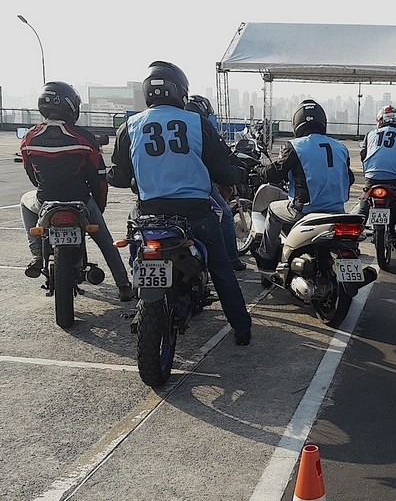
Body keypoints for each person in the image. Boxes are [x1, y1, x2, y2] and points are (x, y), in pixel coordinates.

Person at [107, 61, 252, 345]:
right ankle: (242, 329)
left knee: (136, 248)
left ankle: (140, 298)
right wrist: (239, 173)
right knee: (222, 268)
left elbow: (121, 177)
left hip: (150, 214)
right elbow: (223, 170)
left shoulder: (130, 126)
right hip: (195, 214)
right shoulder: (198, 123)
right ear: (180, 91)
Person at [19, 81, 134, 302]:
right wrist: (98, 206)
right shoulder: (83, 138)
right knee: (105, 241)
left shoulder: (29, 138)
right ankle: (123, 285)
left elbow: (31, 175)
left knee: (25, 201)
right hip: (81, 200)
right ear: (71, 106)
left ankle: (36, 254)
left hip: (45, 200)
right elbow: (99, 178)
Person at [253, 99, 354, 271]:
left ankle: (267, 257)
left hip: (305, 210)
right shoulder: (340, 147)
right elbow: (349, 178)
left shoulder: (295, 146)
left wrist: (258, 171)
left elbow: (277, 171)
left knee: (272, 210)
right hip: (337, 210)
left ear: (297, 122)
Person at [184, 95, 247, 271]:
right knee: (226, 215)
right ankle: (232, 259)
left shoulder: (167, 122)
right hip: (198, 183)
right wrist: (234, 174)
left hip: (159, 190)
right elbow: (220, 155)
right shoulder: (200, 124)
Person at [355, 105, 396, 220]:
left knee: (363, 204)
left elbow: (363, 155)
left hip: (372, 178)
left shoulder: (370, 134)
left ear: (380, 120)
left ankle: (357, 225)